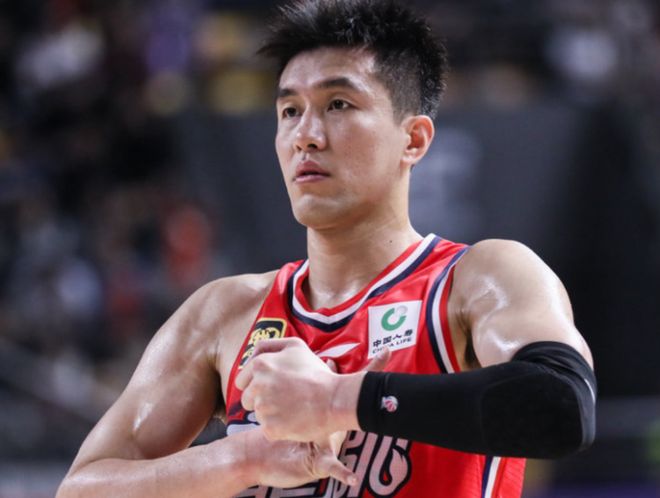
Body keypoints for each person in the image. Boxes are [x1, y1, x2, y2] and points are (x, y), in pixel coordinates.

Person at [57, 0, 596, 497]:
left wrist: (338, 400)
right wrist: (240, 459)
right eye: (290, 111)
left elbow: (564, 407)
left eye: (338, 104)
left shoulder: (478, 279)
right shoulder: (224, 313)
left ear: (413, 139)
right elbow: (81, 489)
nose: (306, 135)